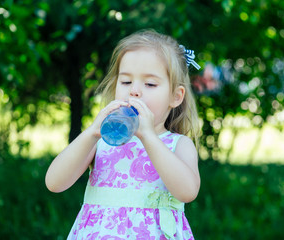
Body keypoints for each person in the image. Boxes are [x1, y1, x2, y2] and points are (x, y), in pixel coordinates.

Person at [45, 29, 201, 240]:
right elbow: (54, 183)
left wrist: (148, 137)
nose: (134, 91)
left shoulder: (177, 145)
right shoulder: (102, 142)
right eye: (126, 82)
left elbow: (187, 192)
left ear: (175, 96)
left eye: (150, 84)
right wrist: (92, 133)